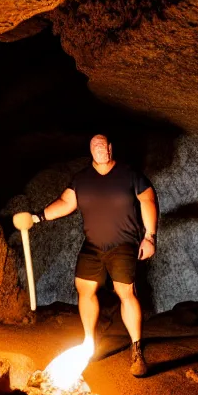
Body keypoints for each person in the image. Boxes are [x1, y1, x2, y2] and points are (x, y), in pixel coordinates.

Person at [19, 133, 159, 377]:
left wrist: (150, 236)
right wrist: (37, 217)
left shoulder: (129, 174)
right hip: (93, 245)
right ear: (90, 151)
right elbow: (66, 202)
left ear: (110, 148)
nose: (100, 150)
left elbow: (147, 199)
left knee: (126, 292)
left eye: (103, 145)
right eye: (95, 146)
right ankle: (88, 343)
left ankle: (137, 348)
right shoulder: (82, 179)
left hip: (124, 243)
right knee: (84, 287)